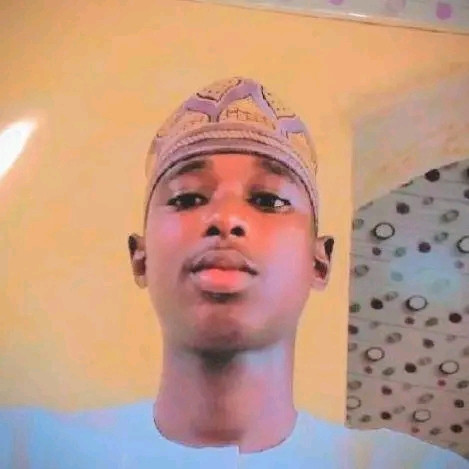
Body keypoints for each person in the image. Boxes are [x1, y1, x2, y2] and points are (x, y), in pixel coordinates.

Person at [0, 77, 467, 468]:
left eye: (268, 200)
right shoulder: (25, 450)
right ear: (141, 257)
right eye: (187, 198)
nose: (225, 218)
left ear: (318, 261)